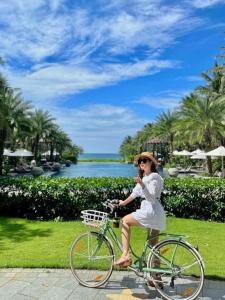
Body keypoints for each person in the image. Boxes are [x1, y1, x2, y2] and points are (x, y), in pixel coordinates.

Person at [114, 151, 166, 267]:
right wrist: (123, 203)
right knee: (153, 246)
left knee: (125, 221)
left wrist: (142, 185)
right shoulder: (145, 177)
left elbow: (151, 198)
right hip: (155, 213)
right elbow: (134, 194)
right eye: (140, 161)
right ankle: (156, 277)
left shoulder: (154, 177)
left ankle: (126, 255)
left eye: (144, 160)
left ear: (151, 163)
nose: (141, 162)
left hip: (150, 210)